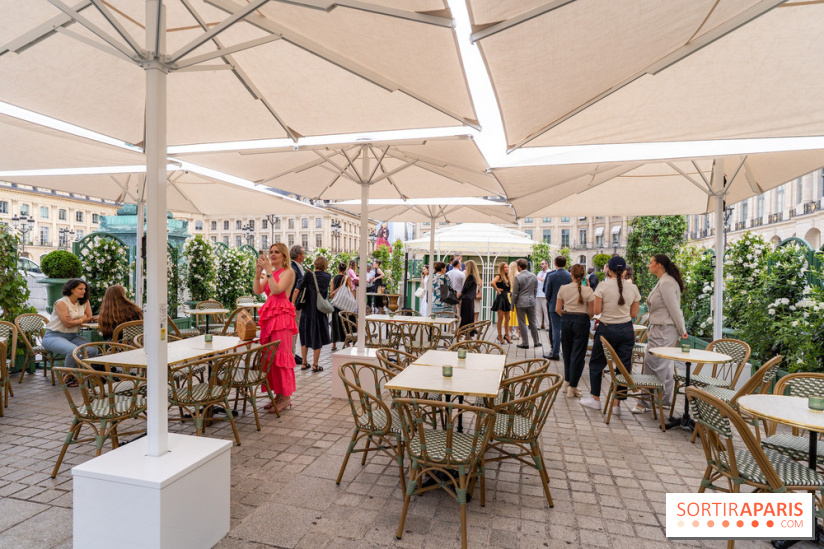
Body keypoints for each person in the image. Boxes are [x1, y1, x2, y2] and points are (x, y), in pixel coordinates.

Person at [580, 256, 641, 416]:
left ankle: (595, 399)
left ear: (609, 270)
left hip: (607, 330)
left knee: (596, 364)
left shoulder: (602, 286)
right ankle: (616, 405)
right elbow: (634, 313)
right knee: (623, 366)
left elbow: (597, 311)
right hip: (626, 330)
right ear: (624, 271)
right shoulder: (633, 288)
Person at [632, 254, 687, 427]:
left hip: (664, 330)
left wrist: (682, 330)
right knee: (662, 364)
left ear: (659, 265)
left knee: (656, 364)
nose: (649, 265)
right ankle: (662, 401)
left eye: (651, 262)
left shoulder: (667, 282)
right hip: (660, 329)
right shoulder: (664, 281)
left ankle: (646, 402)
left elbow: (674, 309)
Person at [255, 243, 297, 413]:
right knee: (271, 357)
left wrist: (268, 271)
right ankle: (278, 395)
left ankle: (285, 397)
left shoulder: (288, 272)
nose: (272, 255)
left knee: (281, 357)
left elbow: (277, 289)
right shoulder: (272, 272)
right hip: (271, 317)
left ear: (284, 255)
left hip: (282, 318)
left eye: (276, 252)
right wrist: (258, 273)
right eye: (271, 252)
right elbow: (258, 290)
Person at [42, 279, 96, 386]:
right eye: (80, 289)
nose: (83, 291)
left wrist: (75, 320)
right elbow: (67, 324)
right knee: (72, 350)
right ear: (71, 289)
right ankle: (67, 377)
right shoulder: (61, 303)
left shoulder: (84, 301)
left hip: (72, 336)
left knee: (92, 350)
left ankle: (81, 373)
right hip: (53, 336)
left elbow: (89, 317)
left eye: (84, 289)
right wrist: (82, 319)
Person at [556, 265, 595, 398]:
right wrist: (582, 318)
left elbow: (557, 309)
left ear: (571, 275)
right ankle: (573, 387)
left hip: (566, 320)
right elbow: (591, 312)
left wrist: (567, 317)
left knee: (567, 353)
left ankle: (567, 383)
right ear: (583, 276)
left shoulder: (563, 288)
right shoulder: (588, 290)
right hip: (581, 321)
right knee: (578, 355)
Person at [298, 256, 332, 372]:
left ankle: (304, 362)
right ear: (325, 265)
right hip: (320, 311)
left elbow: (299, 287)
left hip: (307, 310)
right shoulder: (328, 276)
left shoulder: (309, 276)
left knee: (305, 336)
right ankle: (315, 364)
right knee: (317, 337)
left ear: (315, 264)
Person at [543, 256, 572, 361]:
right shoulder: (570, 276)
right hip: (568, 306)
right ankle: (566, 352)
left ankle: (555, 352)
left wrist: (551, 302)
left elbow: (547, 292)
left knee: (555, 330)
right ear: (565, 264)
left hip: (554, 305)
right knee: (566, 330)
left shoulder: (551, 276)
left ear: (555, 263)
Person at [511, 258, 542, 349]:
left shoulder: (518, 277)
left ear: (519, 267)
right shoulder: (533, 276)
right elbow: (535, 289)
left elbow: (515, 293)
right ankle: (536, 342)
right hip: (531, 301)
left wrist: (512, 304)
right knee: (533, 322)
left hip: (521, 302)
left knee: (522, 323)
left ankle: (525, 343)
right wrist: (533, 298)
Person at [329, 262, 352, 352]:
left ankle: (333, 344)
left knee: (335, 322)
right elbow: (349, 289)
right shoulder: (347, 278)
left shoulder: (334, 278)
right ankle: (347, 343)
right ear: (345, 269)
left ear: (338, 269)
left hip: (336, 303)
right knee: (344, 322)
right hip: (344, 304)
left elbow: (331, 292)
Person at [289, 245, 305, 366]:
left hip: (296, 304)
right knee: (293, 330)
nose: (304, 256)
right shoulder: (293, 269)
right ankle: (291, 355)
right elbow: (294, 288)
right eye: (303, 254)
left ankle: (293, 353)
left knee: (295, 329)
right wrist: (293, 304)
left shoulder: (296, 267)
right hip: (293, 305)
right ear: (299, 256)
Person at [490, 262, 512, 344]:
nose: (507, 269)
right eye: (505, 267)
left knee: (508, 318)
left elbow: (507, 289)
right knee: (500, 318)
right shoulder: (499, 276)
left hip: (506, 298)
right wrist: (498, 290)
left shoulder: (507, 277)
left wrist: (511, 292)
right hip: (501, 298)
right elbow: (492, 283)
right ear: (501, 268)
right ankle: (499, 336)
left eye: (507, 267)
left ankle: (507, 335)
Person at [457, 260, 480, 334]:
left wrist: (459, 296)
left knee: (465, 318)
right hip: (470, 299)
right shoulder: (474, 276)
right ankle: (468, 334)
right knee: (469, 317)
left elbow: (465, 288)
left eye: (466, 266)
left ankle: (465, 333)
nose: (465, 268)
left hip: (466, 299)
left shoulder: (470, 277)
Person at [507, 260, 520, 340]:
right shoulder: (519, 275)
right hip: (516, 294)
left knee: (509, 315)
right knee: (517, 315)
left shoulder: (507, 275)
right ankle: (518, 333)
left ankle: (510, 332)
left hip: (508, 294)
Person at [535, 259, 550, 330]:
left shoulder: (549, 272)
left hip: (545, 295)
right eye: (541, 264)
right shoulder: (539, 272)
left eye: (543, 264)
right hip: (538, 294)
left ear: (547, 264)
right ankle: (538, 325)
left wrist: (540, 279)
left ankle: (547, 326)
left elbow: (548, 282)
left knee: (546, 311)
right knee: (538, 311)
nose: (541, 265)